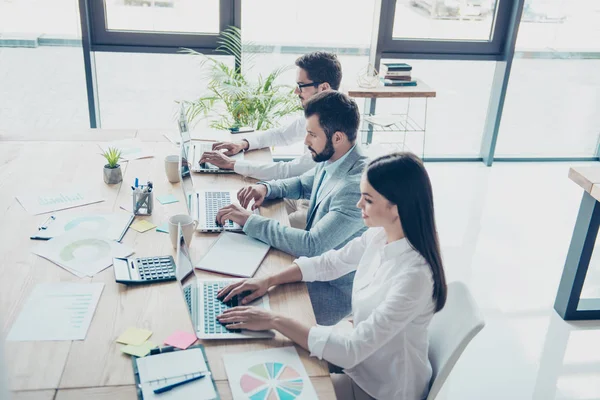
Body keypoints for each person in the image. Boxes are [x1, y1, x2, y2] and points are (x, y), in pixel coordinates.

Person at [215, 152, 448, 400]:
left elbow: (351, 350)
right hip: (359, 363)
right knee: (258, 362)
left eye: (367, 199)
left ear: (396, 208)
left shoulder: (415, 276)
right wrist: (268, 280)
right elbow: (331, 262)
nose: (359, 205)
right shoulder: (380, 235)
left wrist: (273, 319)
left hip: (380, 390)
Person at [215, 90, 368, 326]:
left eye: (311, 134)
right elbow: (301, 183)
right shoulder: (335, 158)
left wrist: (250, 221)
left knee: (243, 306)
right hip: (309, 268)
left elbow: (312, 244)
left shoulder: (354, 186)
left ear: (337, 137)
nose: (306, 141)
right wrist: (265, 189)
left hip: (329, 290)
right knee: (237, 276)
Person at [199, 51, 343, 228]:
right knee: (240, 203)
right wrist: (243, 143)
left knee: (250, 225)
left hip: (315, 211)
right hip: (302, 193)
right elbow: (282, 134)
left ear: (324, 88)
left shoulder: (336, 128)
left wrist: (232, 165)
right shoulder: (318, 112)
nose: (295, 91)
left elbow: (289, 171)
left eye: (301, 85)